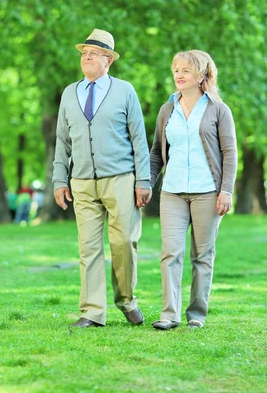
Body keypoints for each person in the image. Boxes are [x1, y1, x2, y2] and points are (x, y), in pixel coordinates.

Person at [52, 28, 151, 328]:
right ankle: (93, 312)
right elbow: (62, 141)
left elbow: (139, 138)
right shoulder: (70, 93)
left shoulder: (125, 91)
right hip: (81, 181)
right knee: (89, 248)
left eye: (93, 53)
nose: (86, 57)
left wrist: (143, 180)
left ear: (108, 60)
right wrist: (59, 179)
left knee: (123, 242)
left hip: (120, 178)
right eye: (84, 53)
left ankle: (126, 299)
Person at [149, 50, 238, 330]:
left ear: (202, 76)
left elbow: (229, 152)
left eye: (186, 70)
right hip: (173, 191)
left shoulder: (218, 110)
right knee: (170, 252)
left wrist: (226, 190)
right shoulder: (168, 109)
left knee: (202, 255)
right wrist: (146, 184)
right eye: (176, 69)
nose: (178, 75)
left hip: (207, 191)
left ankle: (197, 313)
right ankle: (169, 314)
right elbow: (156, 152)